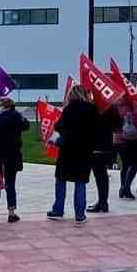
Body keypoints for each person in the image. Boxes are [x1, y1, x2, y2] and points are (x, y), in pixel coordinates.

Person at [47, 85, 97, 223]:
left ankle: (58, 210)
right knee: (80, 182)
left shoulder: (68, 109)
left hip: (67, 150)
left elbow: (58, 127)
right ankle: (80, 215)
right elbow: (94, 130)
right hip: (84, 151)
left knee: (61, 180)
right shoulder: (92, 109)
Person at [0, 96, 29, 223]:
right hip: (13, 154)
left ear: (5, 106)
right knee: (10, 184)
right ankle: (11, 213)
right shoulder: (17, 116)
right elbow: (26, 125)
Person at [89, 103, 122, 213]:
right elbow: (119, 126)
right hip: (107, 146)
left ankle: (102, 202)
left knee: (99, 175)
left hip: (95, 146)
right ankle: (103, 202)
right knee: (103, 175)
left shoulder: (93, 107)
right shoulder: (111, 107)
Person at [117, 103, 137, 200]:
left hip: (118, 139)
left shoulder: (116, 105)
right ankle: (126, 188)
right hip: (129, 140)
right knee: (135, 164)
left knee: (125, 164)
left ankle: (122, 187)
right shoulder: (130, 107)